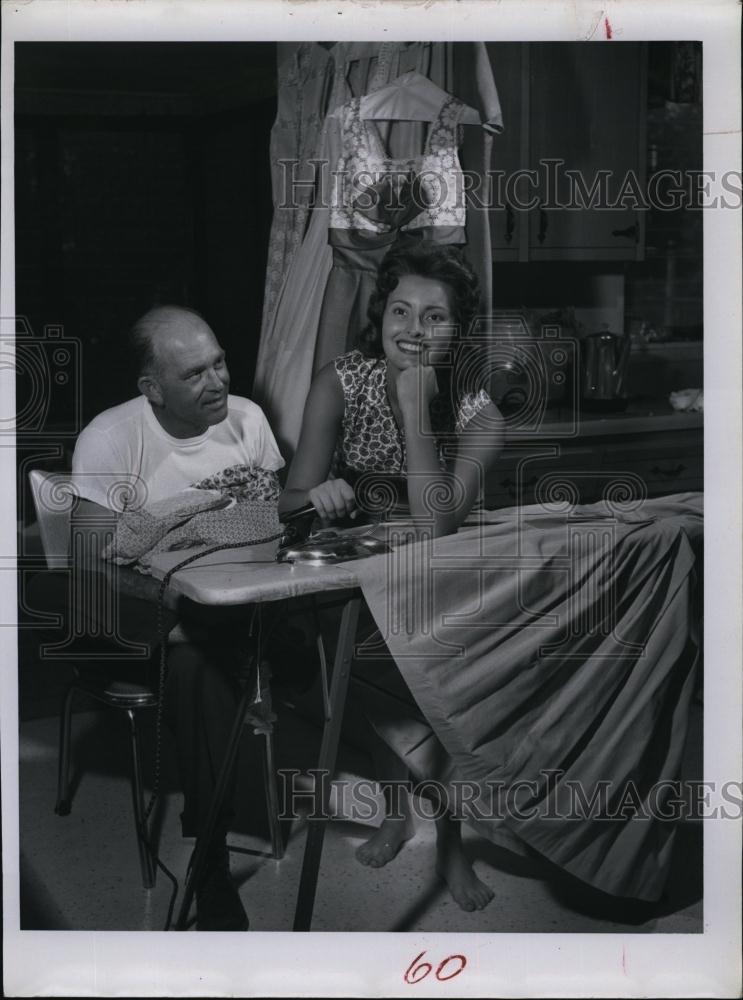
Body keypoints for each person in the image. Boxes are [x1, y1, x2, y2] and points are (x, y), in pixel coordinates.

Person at [279, 240, 505, 911]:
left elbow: (436, 526)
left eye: (434, 317)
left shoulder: (481, 414)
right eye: (399, 311)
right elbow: (289, 501)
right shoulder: (337, 381)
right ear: (379, 316)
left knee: (434, 715)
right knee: (368, 698)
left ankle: (452, 846)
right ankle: (392, 812)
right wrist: (315, 498)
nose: (411, 330)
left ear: (458, 331)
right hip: (356, 580)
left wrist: (413, 407)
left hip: (442, 583)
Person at [70, 305, 284, 931]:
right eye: (194, 374)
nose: (218, 381)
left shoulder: (248, 419)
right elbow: (88, 568)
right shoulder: (112, 438)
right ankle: (210, 862)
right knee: (196, 662)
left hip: (247, 604)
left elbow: (268, 525)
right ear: (152, 388)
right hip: (149, 615)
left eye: (219, 362)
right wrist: (175, 598)